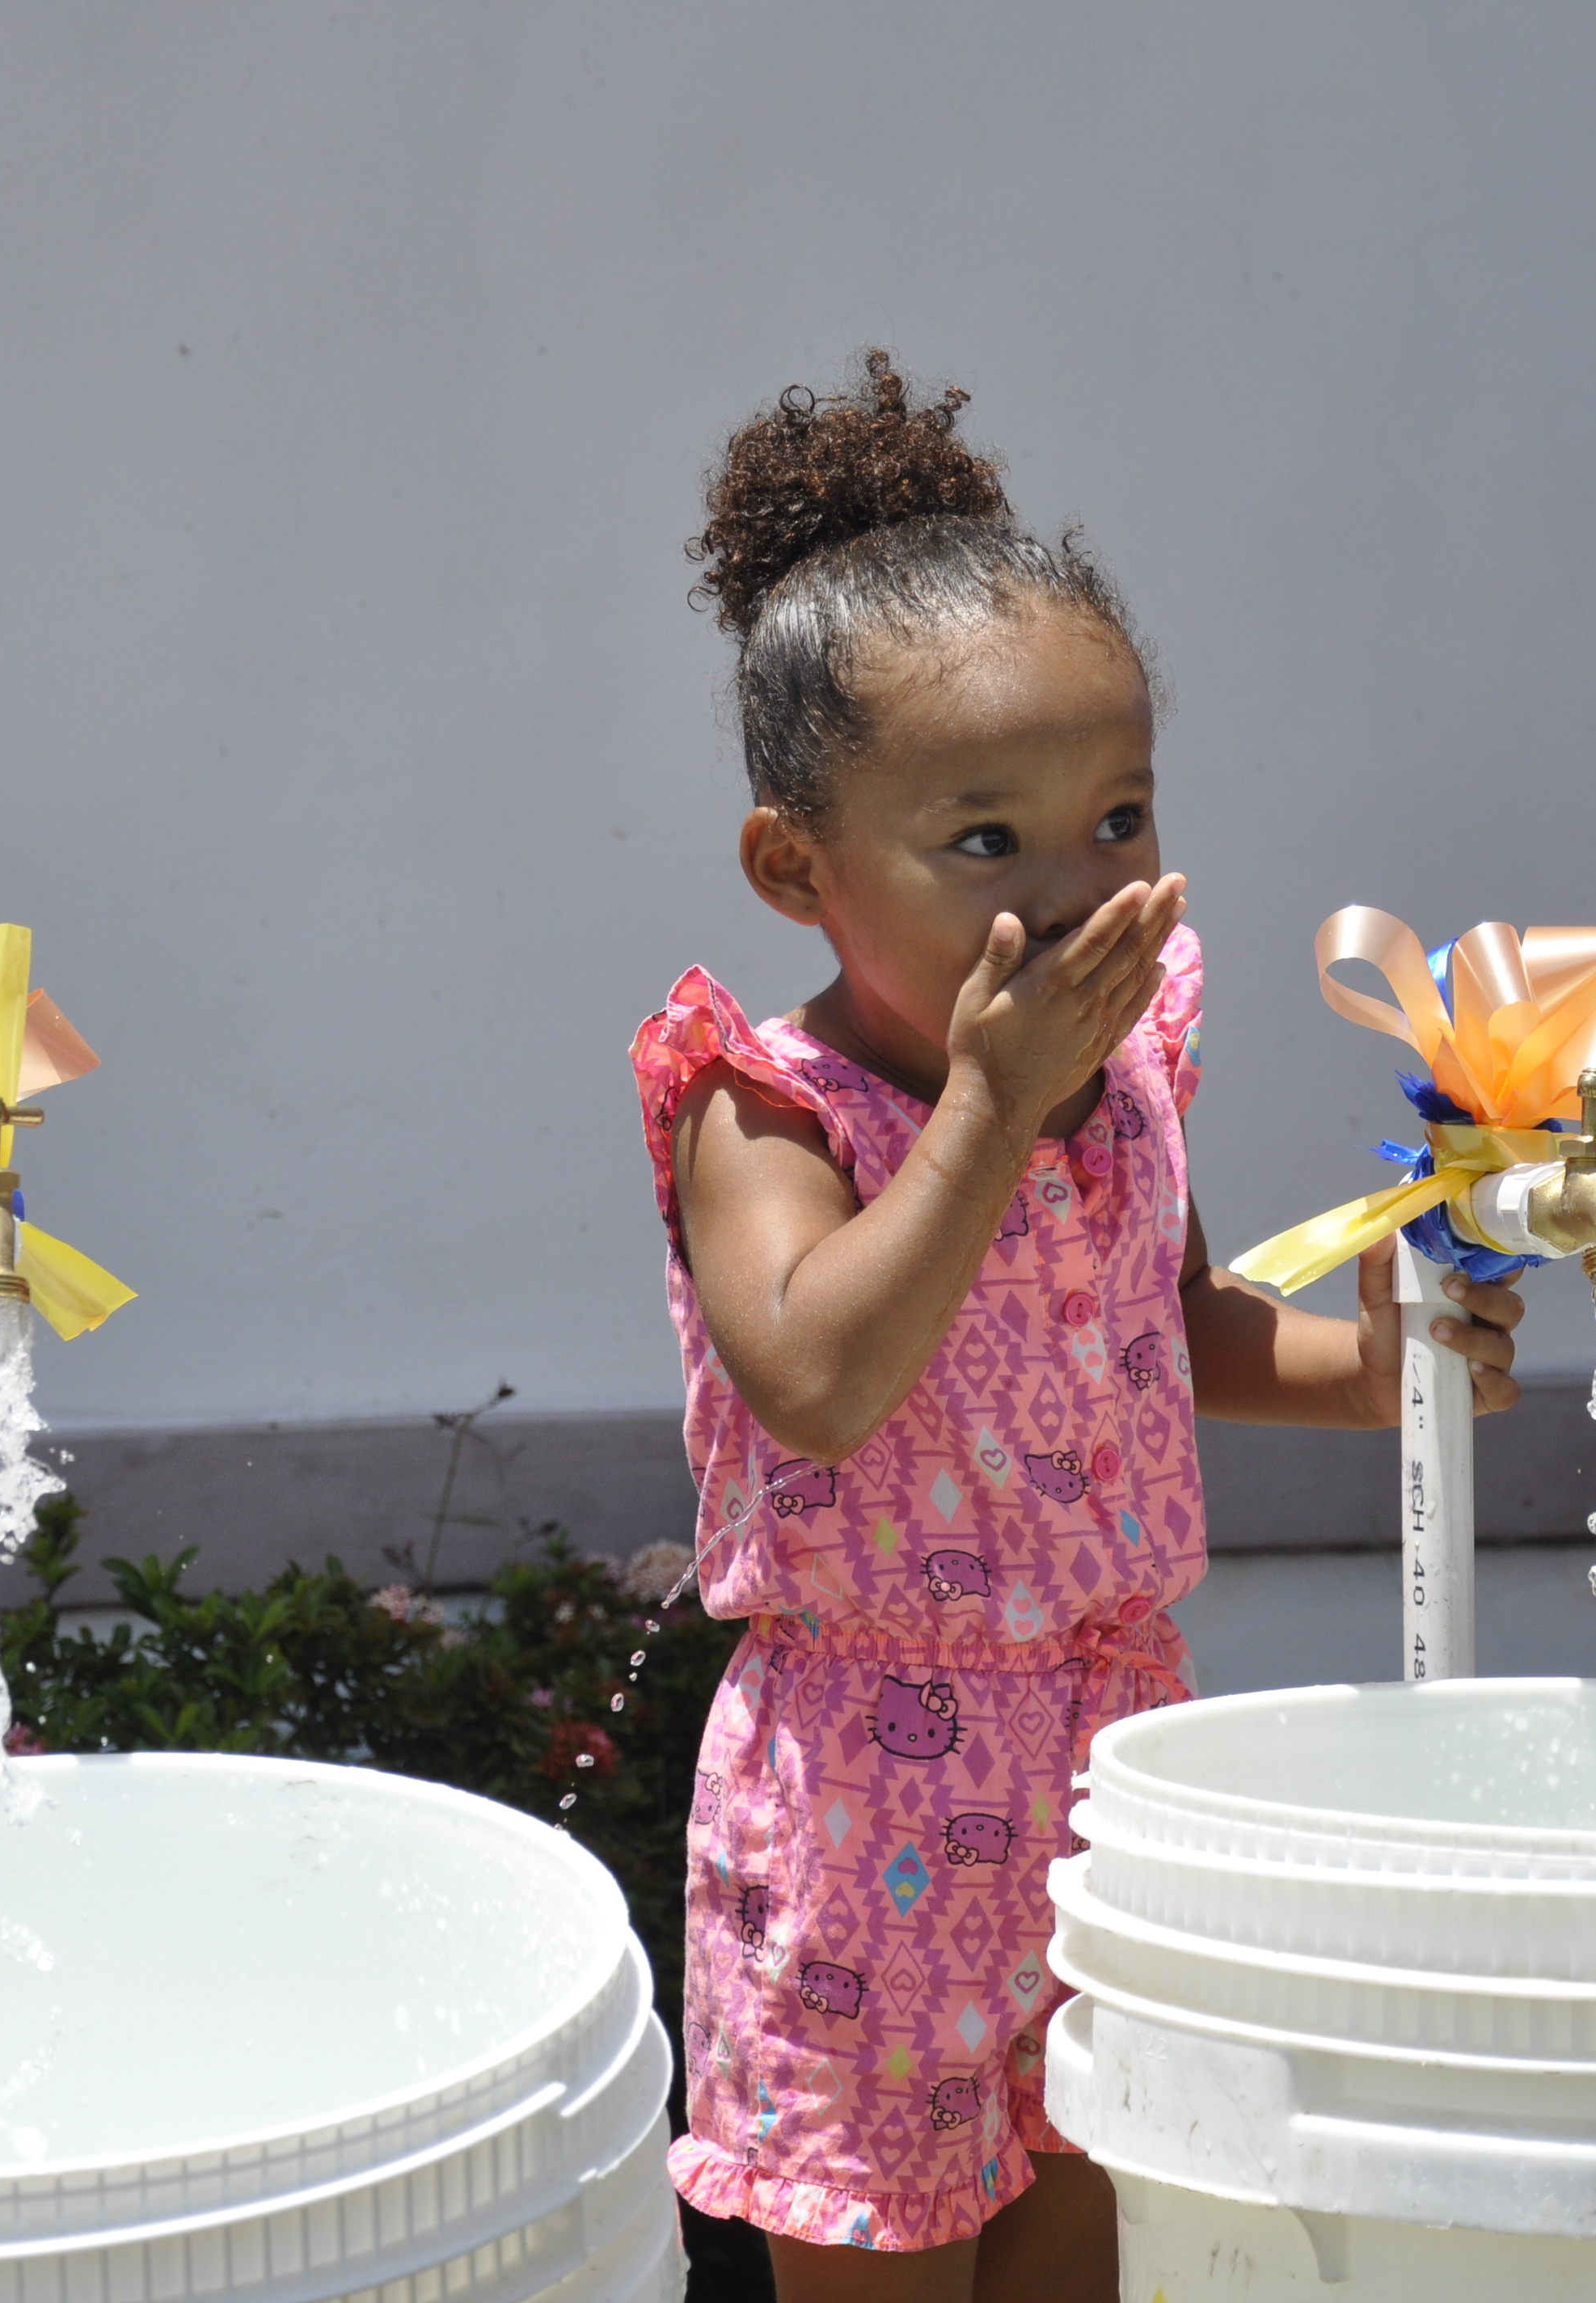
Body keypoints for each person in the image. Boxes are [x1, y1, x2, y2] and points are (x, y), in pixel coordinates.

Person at [633, 353, 1528, 2303]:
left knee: (1091, 2236)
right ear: (798, 866)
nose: (1075, 889)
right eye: (986, 844)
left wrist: (1386, 1368)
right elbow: (815, 1375)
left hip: (1107, 1758)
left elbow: (1164, 1320)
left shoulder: (1116, 1075)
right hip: (863, 1783)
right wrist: (982, 1104)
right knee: (882, 2258)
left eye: (1116, 815)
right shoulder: (765, 1109)